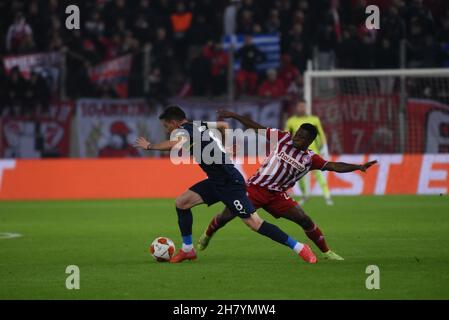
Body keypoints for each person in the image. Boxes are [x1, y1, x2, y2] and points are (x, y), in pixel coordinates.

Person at [133, 105, 317, 264]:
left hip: (230, 182)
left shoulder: (182, 130)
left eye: (166, 126)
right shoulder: (198, 125)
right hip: (216, 181)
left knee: (254, 223)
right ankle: (188, 249)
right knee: (181, 202)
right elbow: (223, 125)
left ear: (174, 123)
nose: (167, 130)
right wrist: (225, 148)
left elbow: (176, 143)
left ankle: (299, 247)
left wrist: (150, 146)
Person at [197, 110, 377, 259]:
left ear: (309, 141)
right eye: (297, 134)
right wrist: (234, 115)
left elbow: (334, 165)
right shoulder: (283, 138)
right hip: (255, 188)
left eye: (301, 137)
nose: (296, 138)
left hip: (277, 196)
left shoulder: (310, 158)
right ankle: (207, 234)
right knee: (226, 216)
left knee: (305, 220)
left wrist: (358, 166)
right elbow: (256, 128)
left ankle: (327, 252)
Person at [285, 100, 332, 205]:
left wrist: (324, 147)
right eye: (300, 106)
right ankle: (305, 195)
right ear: (297, 107)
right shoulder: (291, 121)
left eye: (303, 106)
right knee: (298, 176)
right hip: (297, 152)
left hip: (312, 151)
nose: (301, 108)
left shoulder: (314, 120)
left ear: (306, 107)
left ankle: (327, 196)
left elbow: (321, 134)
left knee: (319, 173)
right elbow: (286, 135)